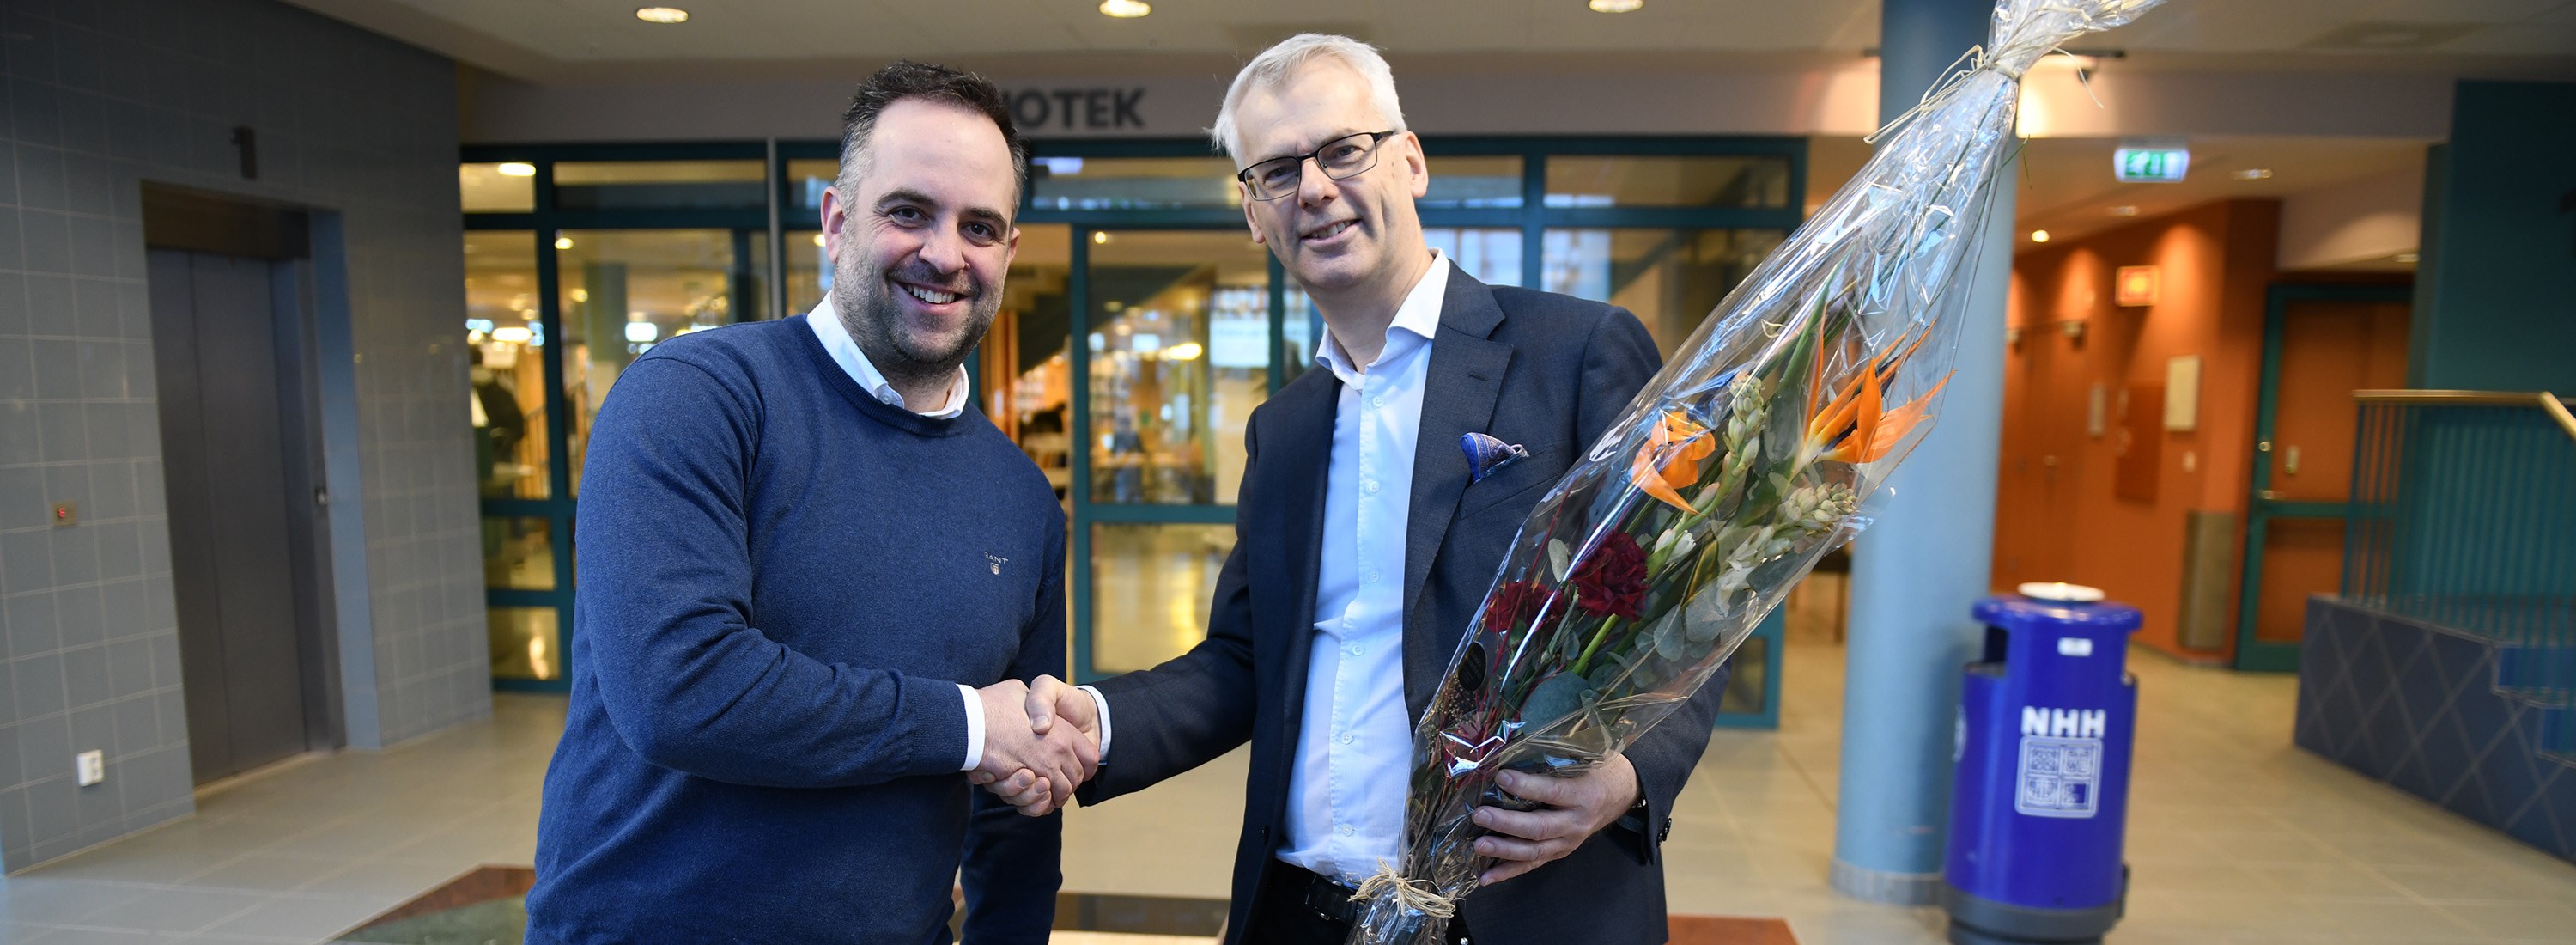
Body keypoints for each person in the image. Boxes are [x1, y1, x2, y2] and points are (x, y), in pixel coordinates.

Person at [1003, 34, 1727, 945]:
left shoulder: (1575, 354)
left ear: (1410, 159)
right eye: (1274, 171)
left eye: (1343, 149)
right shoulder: (1287, 428)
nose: (1312, 186)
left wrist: (1627, 774)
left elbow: (1697, 598)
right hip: (1304, 908)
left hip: (1515, 906)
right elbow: (1243, 659)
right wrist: (1096, 720)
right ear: (1253, 214)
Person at [525, 61, 1091, 945]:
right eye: (909, 211)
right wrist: (966, 721)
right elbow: (678, 687)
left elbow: (1020, 777)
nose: (945, 253)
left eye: (980, 226)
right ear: (834, 220)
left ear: (1009, 253)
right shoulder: (696, 397)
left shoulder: (1020, 498)